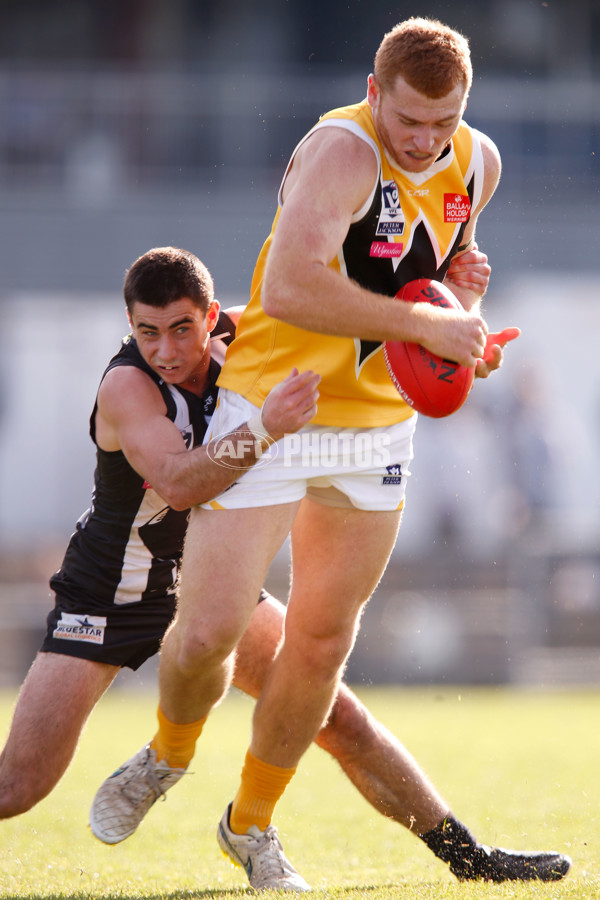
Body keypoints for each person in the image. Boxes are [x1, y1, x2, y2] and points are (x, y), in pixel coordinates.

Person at [88, 19, 571, 893]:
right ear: (376, 90)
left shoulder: (478, 162)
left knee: (319, 644)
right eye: (411, 119)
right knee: (205, 635)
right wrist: (429, 322)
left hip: (379, 427)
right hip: (275, 405)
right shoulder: (342, 153)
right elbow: (292, 286)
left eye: (445, 120)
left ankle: (252, 822)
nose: (426, 141)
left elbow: (430, 278)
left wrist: (459, 327)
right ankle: (168, 752)